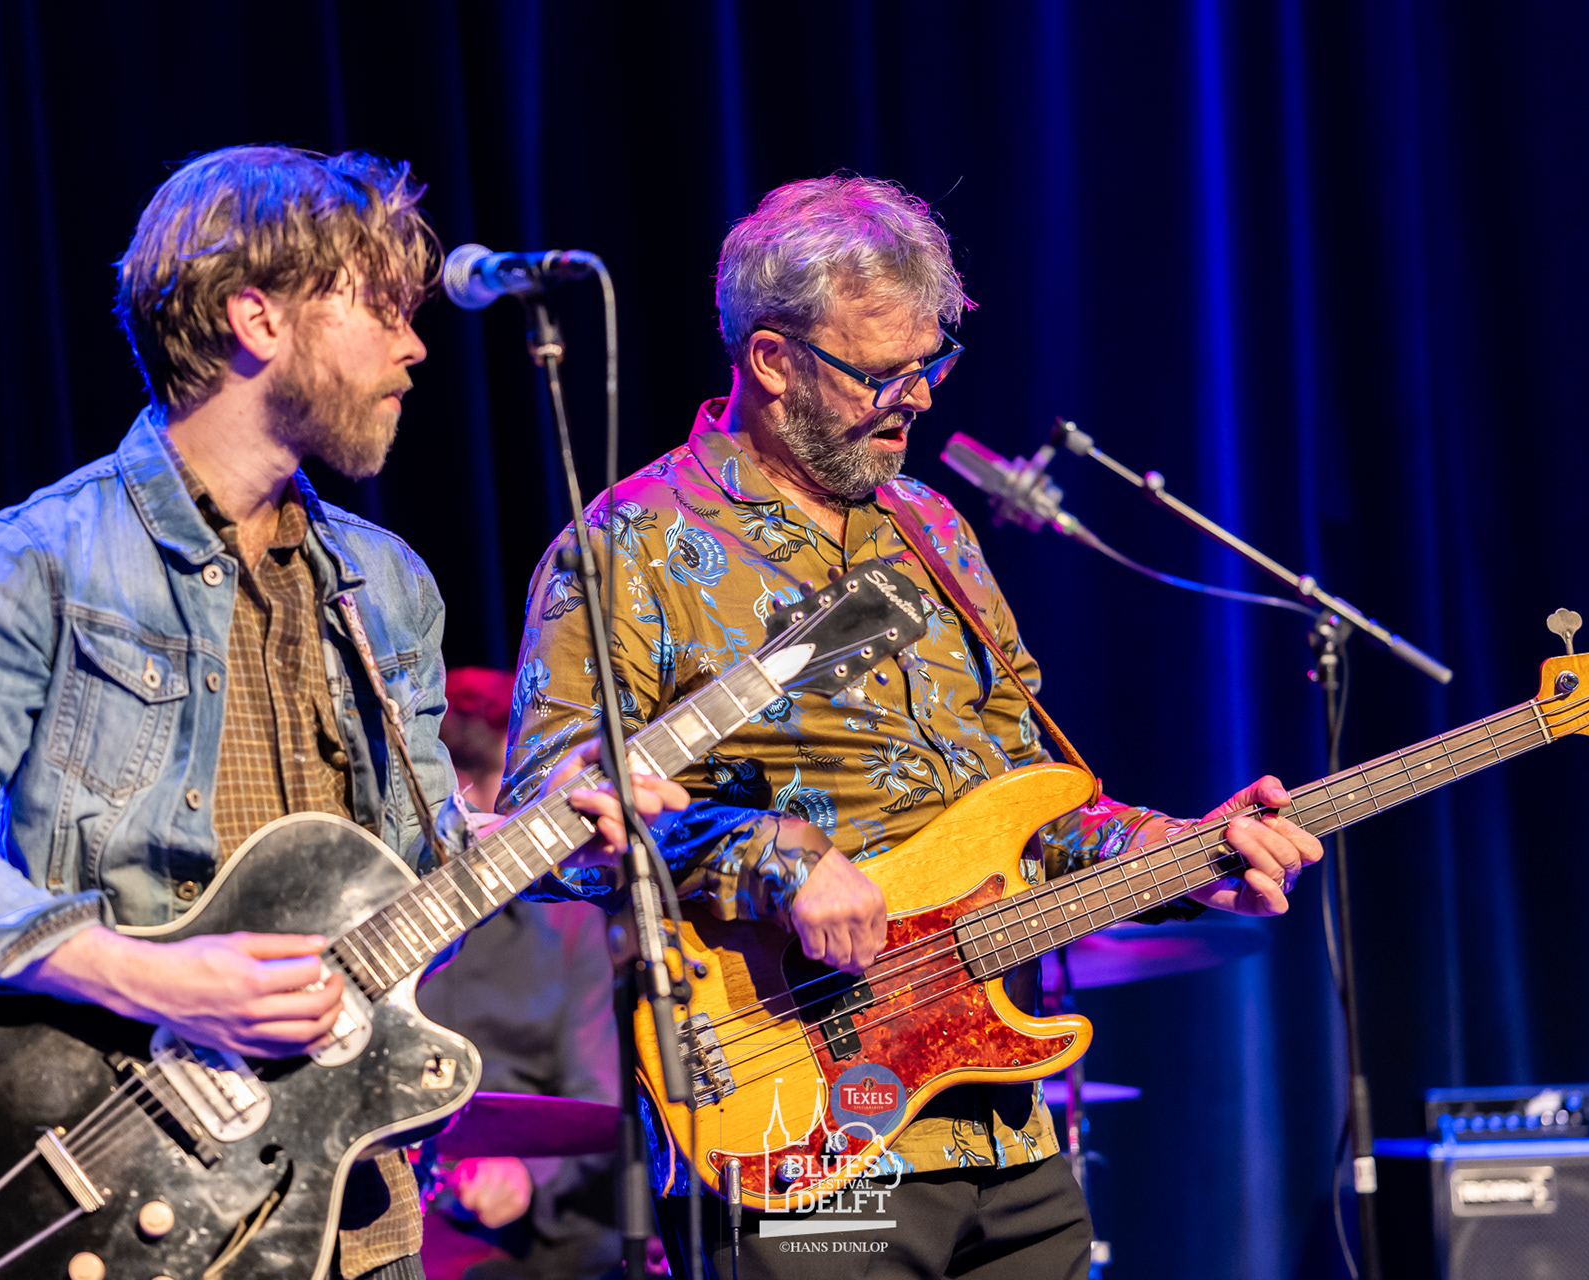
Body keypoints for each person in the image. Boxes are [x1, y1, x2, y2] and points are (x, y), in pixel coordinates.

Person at [0, 146, 681, 1280]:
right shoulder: (41, 558)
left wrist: (547, 829)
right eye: (380, 308)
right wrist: (147, 974)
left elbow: (420, 861)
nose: (414, 344)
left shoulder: (387, 584)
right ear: (256, 316)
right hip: (116, 1172)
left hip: (347, 1199)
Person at [499, 176, 1325, 1279]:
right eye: (883, 374)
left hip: (1002, 1124)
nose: (919, 399)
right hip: (796, 1124)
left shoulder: (932, 526)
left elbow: (1030, 793)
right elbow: (546, 817)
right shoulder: (628, 545)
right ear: (774, 362)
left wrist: (1174, 853)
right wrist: (772, 858)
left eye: (931, 365)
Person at [416, 668, 623, 1280]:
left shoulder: (569, 925)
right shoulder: (378, 905)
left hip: (530, 1229)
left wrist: (524, 1172)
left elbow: (596, 1093)